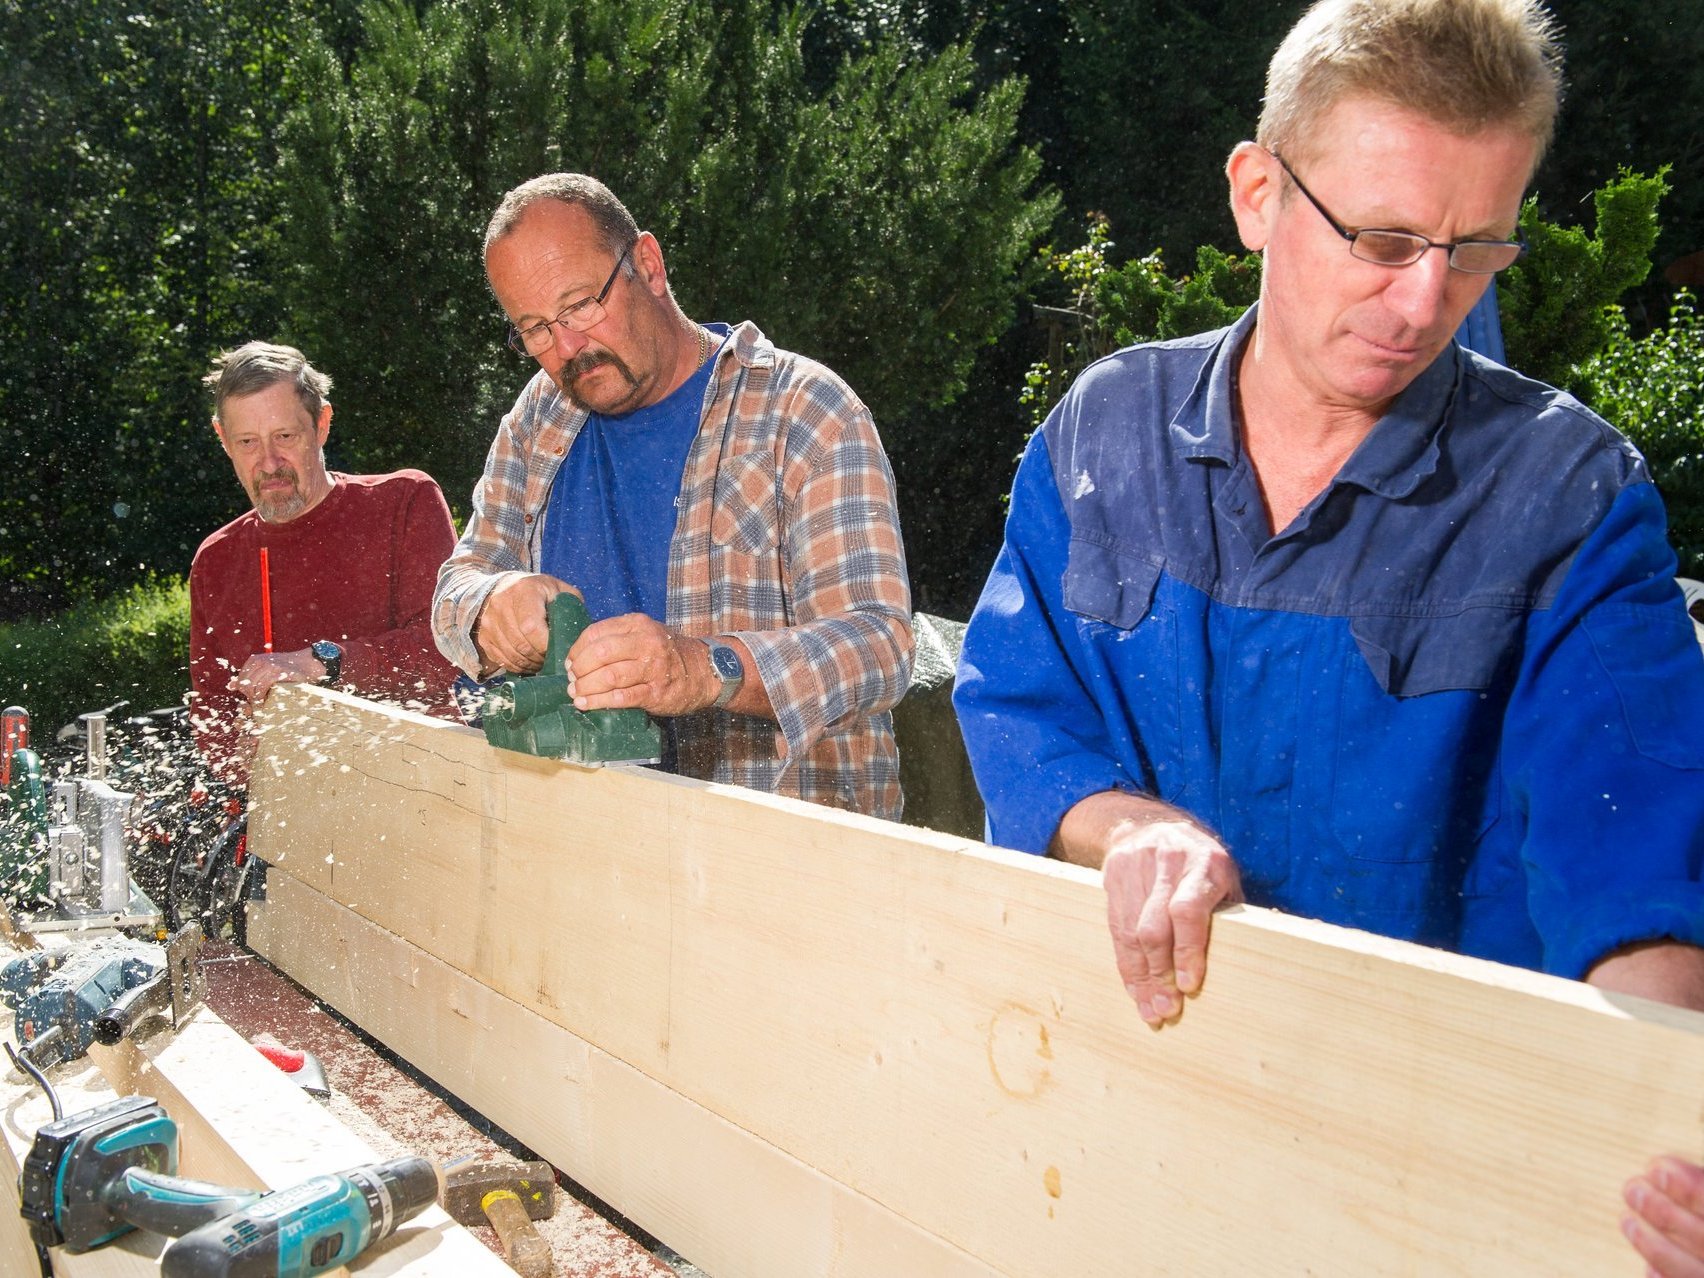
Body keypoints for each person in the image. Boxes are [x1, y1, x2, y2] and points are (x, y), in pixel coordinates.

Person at [952, 1, 1704, 1269]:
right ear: (1257, 191)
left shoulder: (1570, 500)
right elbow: (1020, 712)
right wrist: (1135, 828)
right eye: (1385, 236)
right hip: (1131, 1120)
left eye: (1476, 251)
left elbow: (1636, 875)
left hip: (1442, 1171)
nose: (1425, 303)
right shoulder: (1102, 439)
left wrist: (1664, 1124)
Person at [432, 174, 912, 819]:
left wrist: (706, 668)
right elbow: (458, 584)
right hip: (575, 839)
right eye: (536, 328)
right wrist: (492, 606)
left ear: (649, 267)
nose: (567, 347)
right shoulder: (539, 419)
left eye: (579, 307)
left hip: (775, 858)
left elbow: (879, 646)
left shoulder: (802, 410)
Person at [189, 342, 459, 785]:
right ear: (223, 440)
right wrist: (238, 757)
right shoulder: (215, 562)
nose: (269, 462)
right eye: (247, 442)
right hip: (285, 822)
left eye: (285, 437)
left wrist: (323, 663)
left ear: (322, 424)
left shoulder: (405, 501)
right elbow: (212, 720)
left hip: (421, 793)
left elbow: (446, 650)